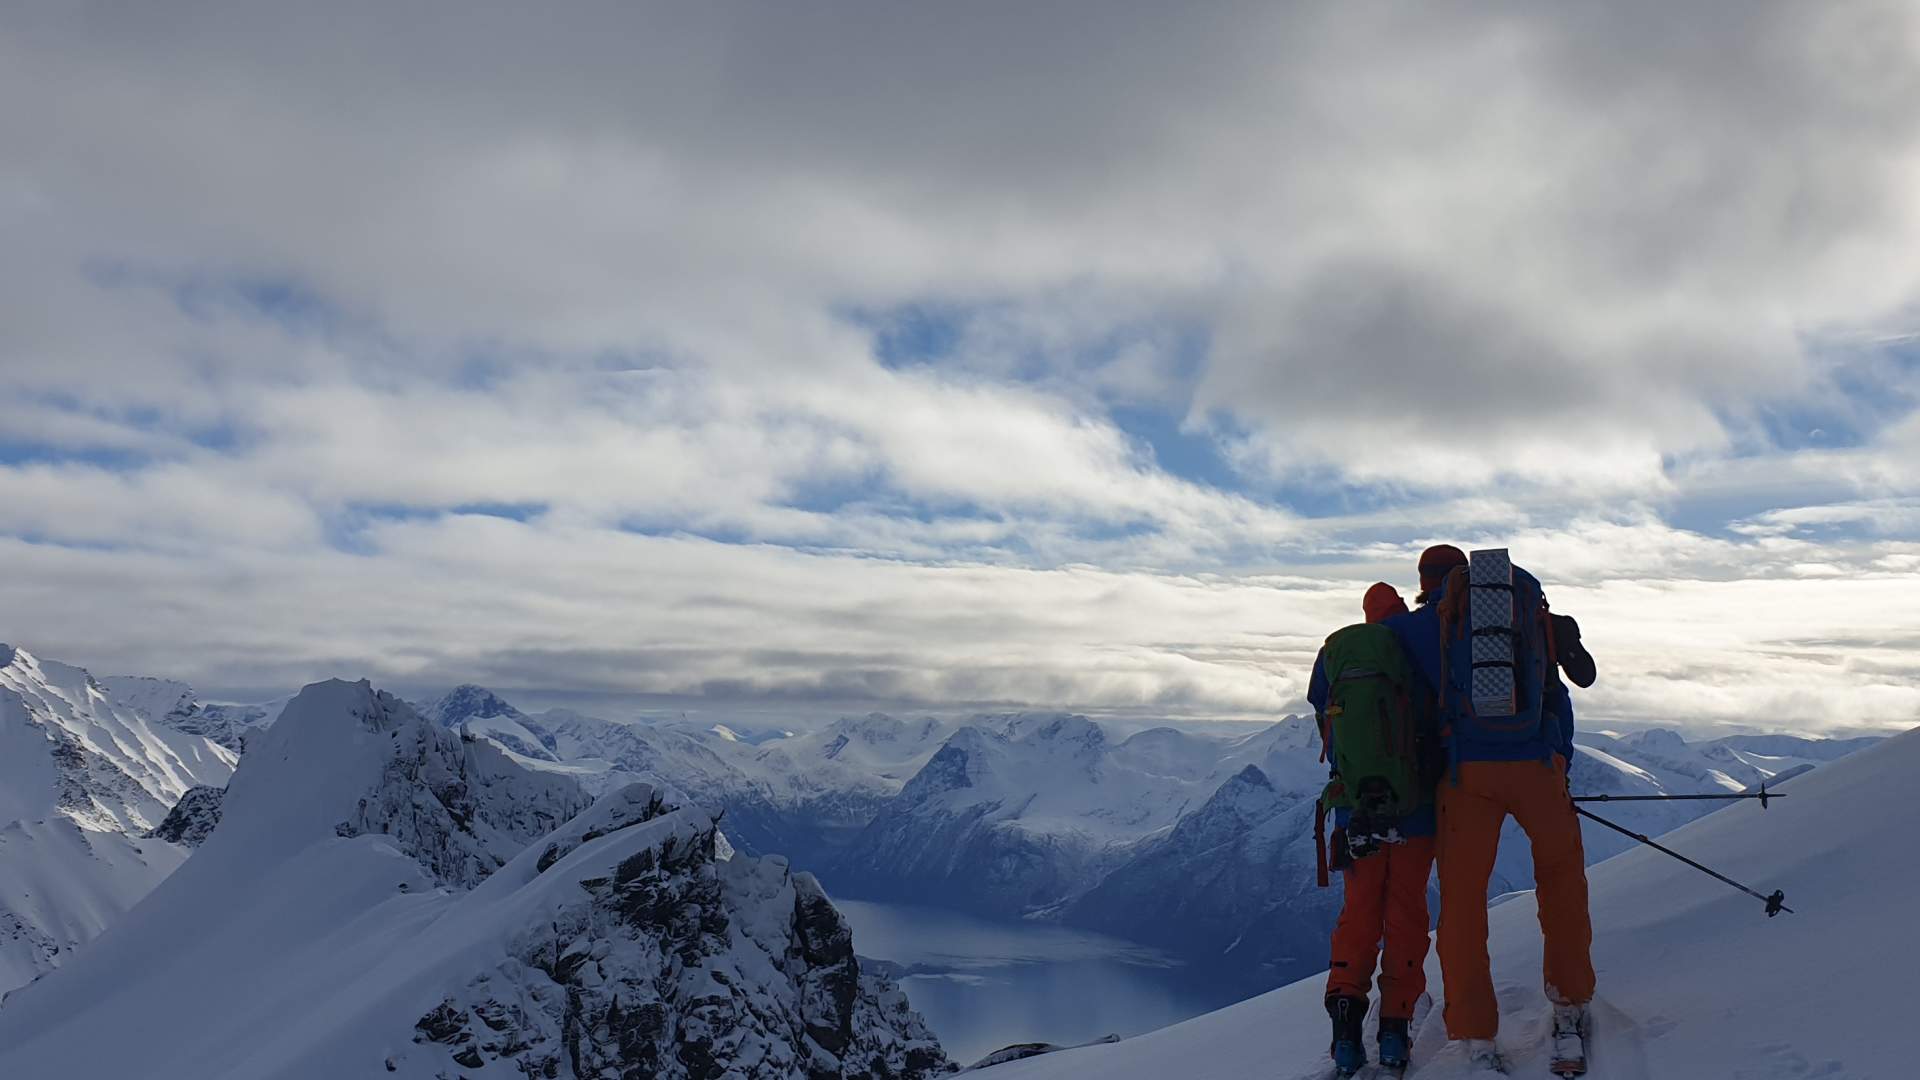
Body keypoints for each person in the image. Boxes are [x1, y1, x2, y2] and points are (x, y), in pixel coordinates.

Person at [1381, 545, 1595, 1073]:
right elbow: (1557, 695)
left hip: (1466, 776)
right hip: (1537, 767)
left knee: (1463, 906)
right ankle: (1569, 1007)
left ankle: (1478, 1038)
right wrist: (1556, 761)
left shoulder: (1415, 629)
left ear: (1424, 581)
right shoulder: (1526, 612)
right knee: (1562, 884)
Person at [1309, 582, 1437, 1076]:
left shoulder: (1335, 654)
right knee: (1406, 915)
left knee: (1359, 914)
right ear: (1401, 610)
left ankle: (1344, 1030)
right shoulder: (1414, 647)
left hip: (1354, 811)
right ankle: (1394, 1033)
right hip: (1415, 810)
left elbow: (1319, 707)